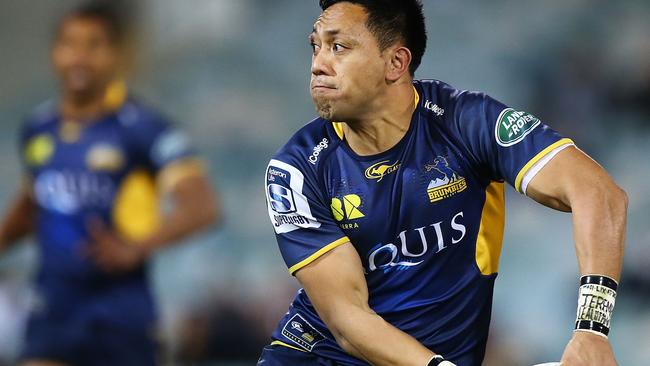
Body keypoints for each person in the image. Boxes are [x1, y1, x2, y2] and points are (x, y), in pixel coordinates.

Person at [259, 1, 626, 365]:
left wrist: (591, 330)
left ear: (396, 63)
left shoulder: (467, 122)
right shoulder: (295, 169)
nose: (318, 64)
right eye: (316, 46)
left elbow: (598, 193)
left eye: (338, 47)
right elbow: (348, 320)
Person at [0, 2, 220, 365]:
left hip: (119, 313)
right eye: (69, 44)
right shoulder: (38, 129)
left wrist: (136, 248)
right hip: (53, 306)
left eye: (94, 45)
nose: (79, 57)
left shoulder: (143, 128)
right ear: (55, 52)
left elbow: (202, 206)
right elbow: (31, 205)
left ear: (117, 54)